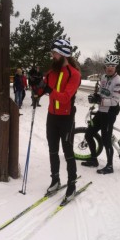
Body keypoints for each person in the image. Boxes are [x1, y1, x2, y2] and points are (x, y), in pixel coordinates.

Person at [34, 39, 81, 205]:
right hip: (52, 116)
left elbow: (66, 98)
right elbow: (42, 88)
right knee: (52, 150)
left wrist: (49, 90)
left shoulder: (74, 74)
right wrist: (37, 88)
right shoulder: (51, 72)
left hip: (66, 117)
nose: (52, 56)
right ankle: (55, 180)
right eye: (52, 53)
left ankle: (72, 184)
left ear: (63, 54)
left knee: (68, 152)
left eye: (55, 53)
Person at [81, 54, 120, 174]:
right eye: (108, 66)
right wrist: (96, 96)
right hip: (101, 111)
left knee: (106, 140)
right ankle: (94, 160)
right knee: (89, 134)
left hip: (110, 113)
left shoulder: (119, 82)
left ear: (116, 67)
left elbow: (115, 101)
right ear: (105, 67)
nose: (110, 68)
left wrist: (99, 100)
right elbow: (102, 92)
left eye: (112, 66)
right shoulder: (104, 77)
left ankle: (110, 166)